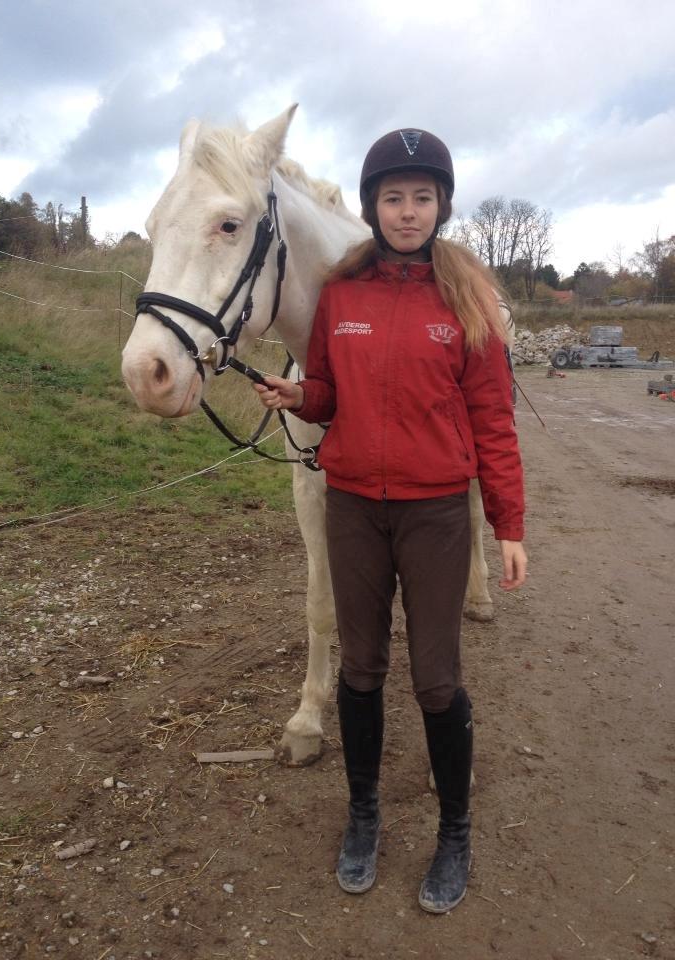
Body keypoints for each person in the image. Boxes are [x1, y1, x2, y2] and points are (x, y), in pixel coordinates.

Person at [254, 128, 527, 914]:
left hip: (437, 515)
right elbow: (331, 393)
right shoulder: (342, 295)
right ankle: (364, 815)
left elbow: (492, 422)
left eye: (422, 197)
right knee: (361, 672)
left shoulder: (465, 299)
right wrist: (298, 396)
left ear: (440, 205)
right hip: (354, 513)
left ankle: (455, 830)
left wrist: (507, 524)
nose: (407, 212)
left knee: (437, 682)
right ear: (373, 205)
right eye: (393, 197)